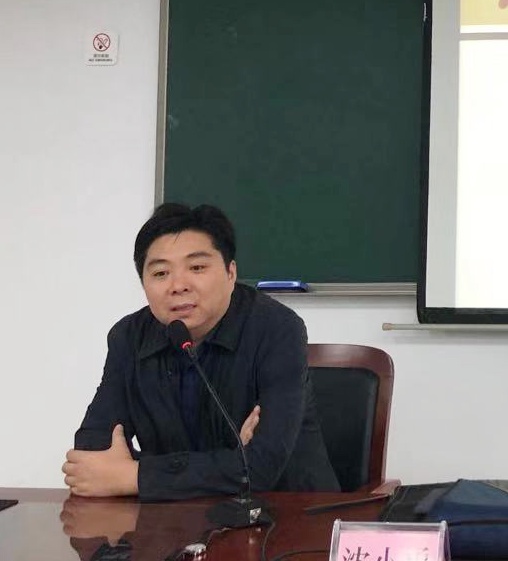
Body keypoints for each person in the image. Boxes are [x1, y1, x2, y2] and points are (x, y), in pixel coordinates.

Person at [62, 203, 338, 500]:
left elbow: (261, 468)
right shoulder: (129, 338)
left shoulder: (277, 329)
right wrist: (231, 463)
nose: (178, 285)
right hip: (174, 519)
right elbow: (92, 453)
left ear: (231, 273)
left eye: (197, 268)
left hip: (288, 513)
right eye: (160, 273)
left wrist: (134, 475)